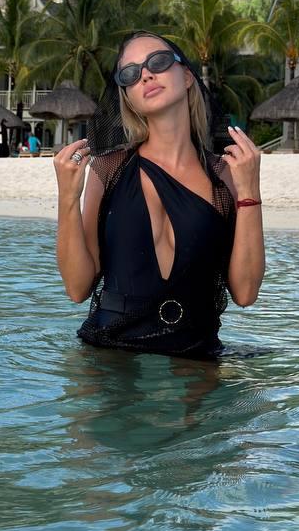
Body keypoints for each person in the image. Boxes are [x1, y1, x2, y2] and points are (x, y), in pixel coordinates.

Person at [53, 31, 265, 359]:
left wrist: (250, 192)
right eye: (130, 73)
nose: (146, 75)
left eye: (159, 62)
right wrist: (67, 199)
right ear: (128, 97)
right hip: (109, 359)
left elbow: (246, 292)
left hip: (195, 360)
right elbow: (77, 288)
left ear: (187, 76)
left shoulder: (226, 175)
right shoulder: (108, 169)